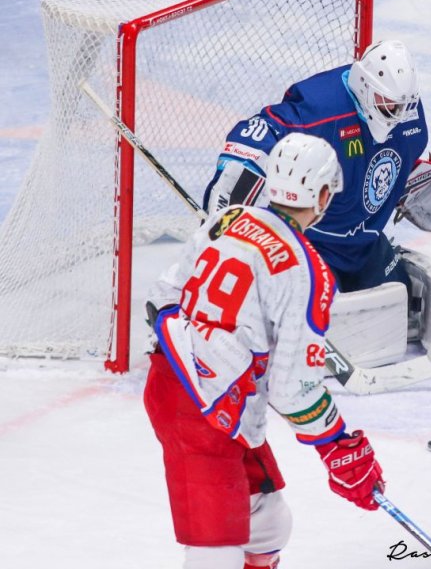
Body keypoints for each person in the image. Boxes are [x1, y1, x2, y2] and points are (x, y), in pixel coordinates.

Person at [144, 134, 385, 569]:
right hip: (202, 410)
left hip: (196, 391)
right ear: (324, 195)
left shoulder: (228, 217)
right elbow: (295, 391)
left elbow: (165, 294)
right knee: (216, 551)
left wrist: (211, 344)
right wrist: (336, 444)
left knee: (269, 523)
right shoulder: (307, 272)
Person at [203, 39, 431, 354]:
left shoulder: (408, 116)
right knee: (308, 322)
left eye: (403, 104)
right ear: (364, 85)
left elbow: (387, 162)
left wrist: (408, 179)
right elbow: (258, 133)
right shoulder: (321, 109)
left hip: (365, 244)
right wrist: (237, 179)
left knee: (402, 309)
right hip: (313, 246)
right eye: (388, 103)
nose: (397, 113)